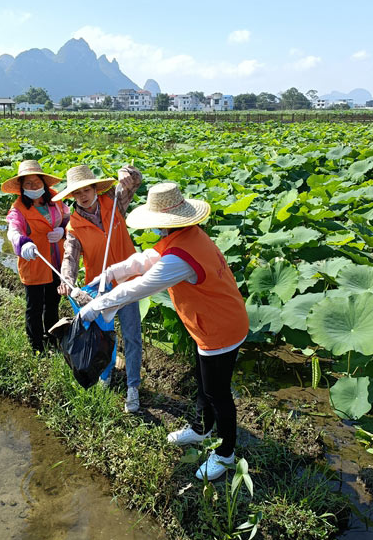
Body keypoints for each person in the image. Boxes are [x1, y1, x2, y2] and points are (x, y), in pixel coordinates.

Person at [78, 182, 249, 480]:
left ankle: (225, 454)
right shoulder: (185, 236)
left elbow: (142, 286)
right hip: (208, 323)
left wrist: (98, 305)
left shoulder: (180, 257)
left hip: (220, 328)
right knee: (203, 380)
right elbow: (145, 259)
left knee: (217, 392)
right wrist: (111, 273)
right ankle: (201, 428)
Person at [52, 164, 144, 412]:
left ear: (94, 188)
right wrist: (67, 281)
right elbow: (70, 257)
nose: (83, 195)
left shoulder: (113, 201)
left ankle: (133, 388)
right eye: (77, 193)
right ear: (72, 196)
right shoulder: (74, 227)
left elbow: (135, 182)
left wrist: (128, 172)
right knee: (103, 337)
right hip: (101, 289)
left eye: (86, 189)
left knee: (132, 336)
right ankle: (105, 377)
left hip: (128, 282)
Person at [3, 159, 70, 353]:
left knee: (52, 303)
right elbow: (13, 230)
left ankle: (52, 338)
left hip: (57, 259)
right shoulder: (18, 209)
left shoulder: (56, 200)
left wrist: (63, 230)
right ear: (22, 188)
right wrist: (22, 243)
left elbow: (68, 218)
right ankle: (37, 347)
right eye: (28, 184)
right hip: (34, 259)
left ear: (43, 183)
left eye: (36, 182)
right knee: (34, 307)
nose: (33, 186)